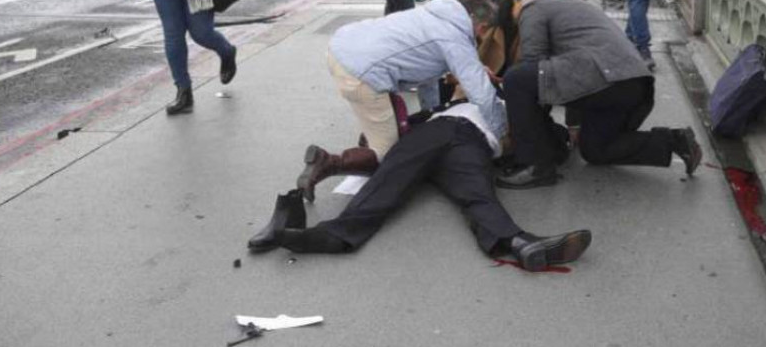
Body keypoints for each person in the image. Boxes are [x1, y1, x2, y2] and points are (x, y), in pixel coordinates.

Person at [247, 102, 592, 272]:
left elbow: (556, 141)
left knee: (474, 193)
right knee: (393, 179)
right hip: (445, 131)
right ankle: (334, 235)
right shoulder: (456, 102)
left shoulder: (515, 105)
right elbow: (391, 130)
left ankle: (520, 242)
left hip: (471, 143)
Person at [296, 0, 507, 201]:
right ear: (478, 22)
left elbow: (428, 74)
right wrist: (498, 136)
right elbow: (481, 93)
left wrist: (433, 118)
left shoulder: (437, 14)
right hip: (363, 72)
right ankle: (328, 163)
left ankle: (370, 136)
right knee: (390, 156)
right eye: (484, 29)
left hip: (343, 48)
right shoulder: (454, 37)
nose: (482, 35)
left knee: (386, 120)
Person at [494, 0, 701, 189]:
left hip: (605, 78)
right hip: (632, 83)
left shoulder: (533, 7)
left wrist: (529, 131)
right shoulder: (568, 8)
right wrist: (573, 125)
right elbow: (567, 71)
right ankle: (674, 141)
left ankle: (535, 165)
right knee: (595, 149)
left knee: (516, 79)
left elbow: (536, 69)